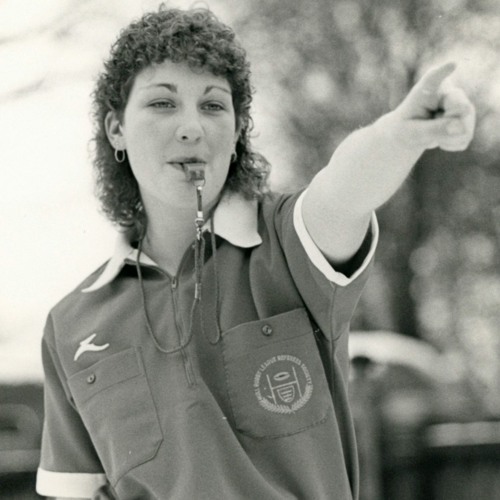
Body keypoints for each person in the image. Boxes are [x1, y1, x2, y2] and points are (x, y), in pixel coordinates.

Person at [35, 5, 475, 500]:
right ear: (116, 128)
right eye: (162, 103)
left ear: (240, 128)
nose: (191, 128)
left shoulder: (289, 244)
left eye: (213, 105)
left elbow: (344, 190)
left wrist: (398, 136)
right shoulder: (71, 325)